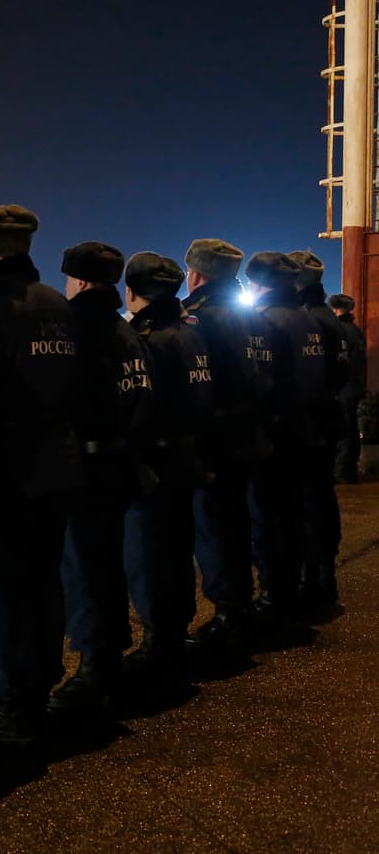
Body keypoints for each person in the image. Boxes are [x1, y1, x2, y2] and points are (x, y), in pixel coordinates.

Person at [0, 204, 83, 745]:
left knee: (0, 592)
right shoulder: (57, 305)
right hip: (57, 470)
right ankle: (41, 689)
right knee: (45, 585)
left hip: (1, 476)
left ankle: (14, 705)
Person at [48, 242, 154, 716]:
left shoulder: (74, 330)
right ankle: (109, 655)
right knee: (108, 566)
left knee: (85, 569)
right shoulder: (126, 332)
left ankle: (96, 667)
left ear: (80, 281)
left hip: (83, 469)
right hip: (119, 465)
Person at [121, 253, 213, 694]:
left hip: (156, 463)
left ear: (132, 292)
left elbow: (141, 408)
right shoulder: (190, 332)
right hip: (187, 456)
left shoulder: (149, 338)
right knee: (177, 552)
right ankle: (174, 635)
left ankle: (160, 645)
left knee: (150, 556)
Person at [180, 239, 271, 656]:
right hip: (250, 435)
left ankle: (227, 615)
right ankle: (242, 606)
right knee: (238, 525)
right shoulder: (252, 317)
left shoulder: (200, 319)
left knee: (214, 528)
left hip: (215, 441)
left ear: (195, 274)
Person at [244, 252, 330, 631]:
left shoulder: (263, 321)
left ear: (259, 282)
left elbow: (260, 383)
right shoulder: (310, 319)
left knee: (269, 521)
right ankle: (296, 593)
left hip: (276, 435)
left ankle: (274, 601)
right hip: (307, 431)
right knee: (296, 517)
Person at [288, 251, 348, 612]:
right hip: (326, 418)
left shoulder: (307, 319)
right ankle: (322, 577)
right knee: (321, 501)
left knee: (308, 504)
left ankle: (313, 581)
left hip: (308, 423)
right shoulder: (329, 317)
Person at [329, 293, 367, 483]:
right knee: (352, 427)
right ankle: (350, 468)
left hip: (344, 387)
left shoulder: (340, 330)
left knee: (343, 429)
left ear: (336, 309)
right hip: (355, 385)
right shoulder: (357, 330)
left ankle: (342, 471)